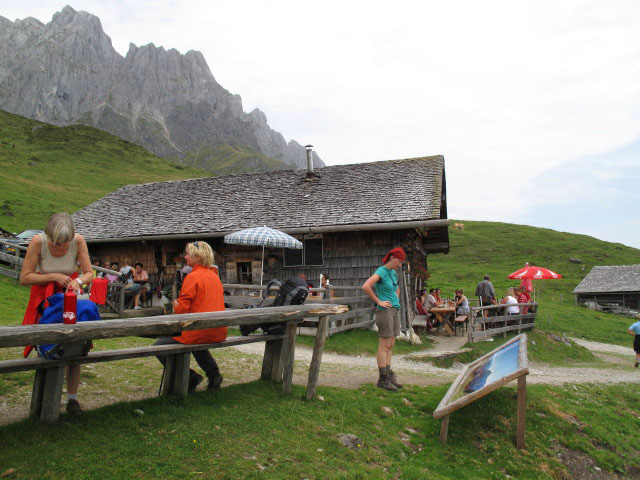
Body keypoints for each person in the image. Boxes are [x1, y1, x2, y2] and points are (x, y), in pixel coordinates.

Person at [19, 213, 94, 414]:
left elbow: (89, 273)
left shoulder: (78, 241)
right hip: (45, 298)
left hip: (70, 297)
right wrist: (52, 276)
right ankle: (44, 399)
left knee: (74, 345)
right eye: (56, 243)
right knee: (47, 345)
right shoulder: (38, 242)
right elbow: (25, 277)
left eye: (64, 243)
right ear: (48, 235)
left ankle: (72, 399)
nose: (60, 247)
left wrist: (77, 281)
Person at [154, 241, 226, 392]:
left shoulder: (193, 277)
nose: (185, 257)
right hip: (217, 330)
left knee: (159, 347)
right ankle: (214, 374)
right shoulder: (215, 276)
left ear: (196, 256)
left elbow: (181, 311)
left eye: (187, 253)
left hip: (199, 331)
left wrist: (174, 303)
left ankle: (190, 377)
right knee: (197, 341)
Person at [362, 247, 406, 392]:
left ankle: (388, 375)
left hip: (394, 310)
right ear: (392, 258)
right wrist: (379, 301)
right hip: (384, 311)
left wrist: (395, 299)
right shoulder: (381, 271)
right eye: (399, 262)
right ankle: (382, 379)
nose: (400, 265)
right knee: (384, 345)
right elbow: (366, 286)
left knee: (391, 344)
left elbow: (397, 288)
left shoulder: (393, 273)